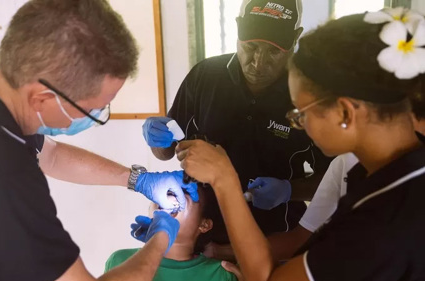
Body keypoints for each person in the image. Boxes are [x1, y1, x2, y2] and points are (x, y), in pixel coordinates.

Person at [0, 1, 197, 281]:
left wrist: (139, 180)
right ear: (41, 98)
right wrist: (161, 235)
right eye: (96, 109)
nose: (98, 117)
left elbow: (50, 155)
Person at [176, 8, 425, 281]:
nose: (299, 122)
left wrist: (224, 178)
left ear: (345, 112)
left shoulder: (391, 216)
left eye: (300, 113)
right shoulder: (381, 176)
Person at [142, 0, 333, 249]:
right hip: (202, 240)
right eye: (251, 47)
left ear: (295, 38)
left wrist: (290, 190)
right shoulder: (205, 77)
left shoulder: (308, 93)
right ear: (237, 30)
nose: (258, 63)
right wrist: (156, 137)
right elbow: (166, 151)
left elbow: (336, 181)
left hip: (273, 243)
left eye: (274, 52)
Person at [106, 187, 252, 281]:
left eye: (186, 193)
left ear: (204, 225)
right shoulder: (121, 261)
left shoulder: (222, 276)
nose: (174, 192)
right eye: (168, 189)